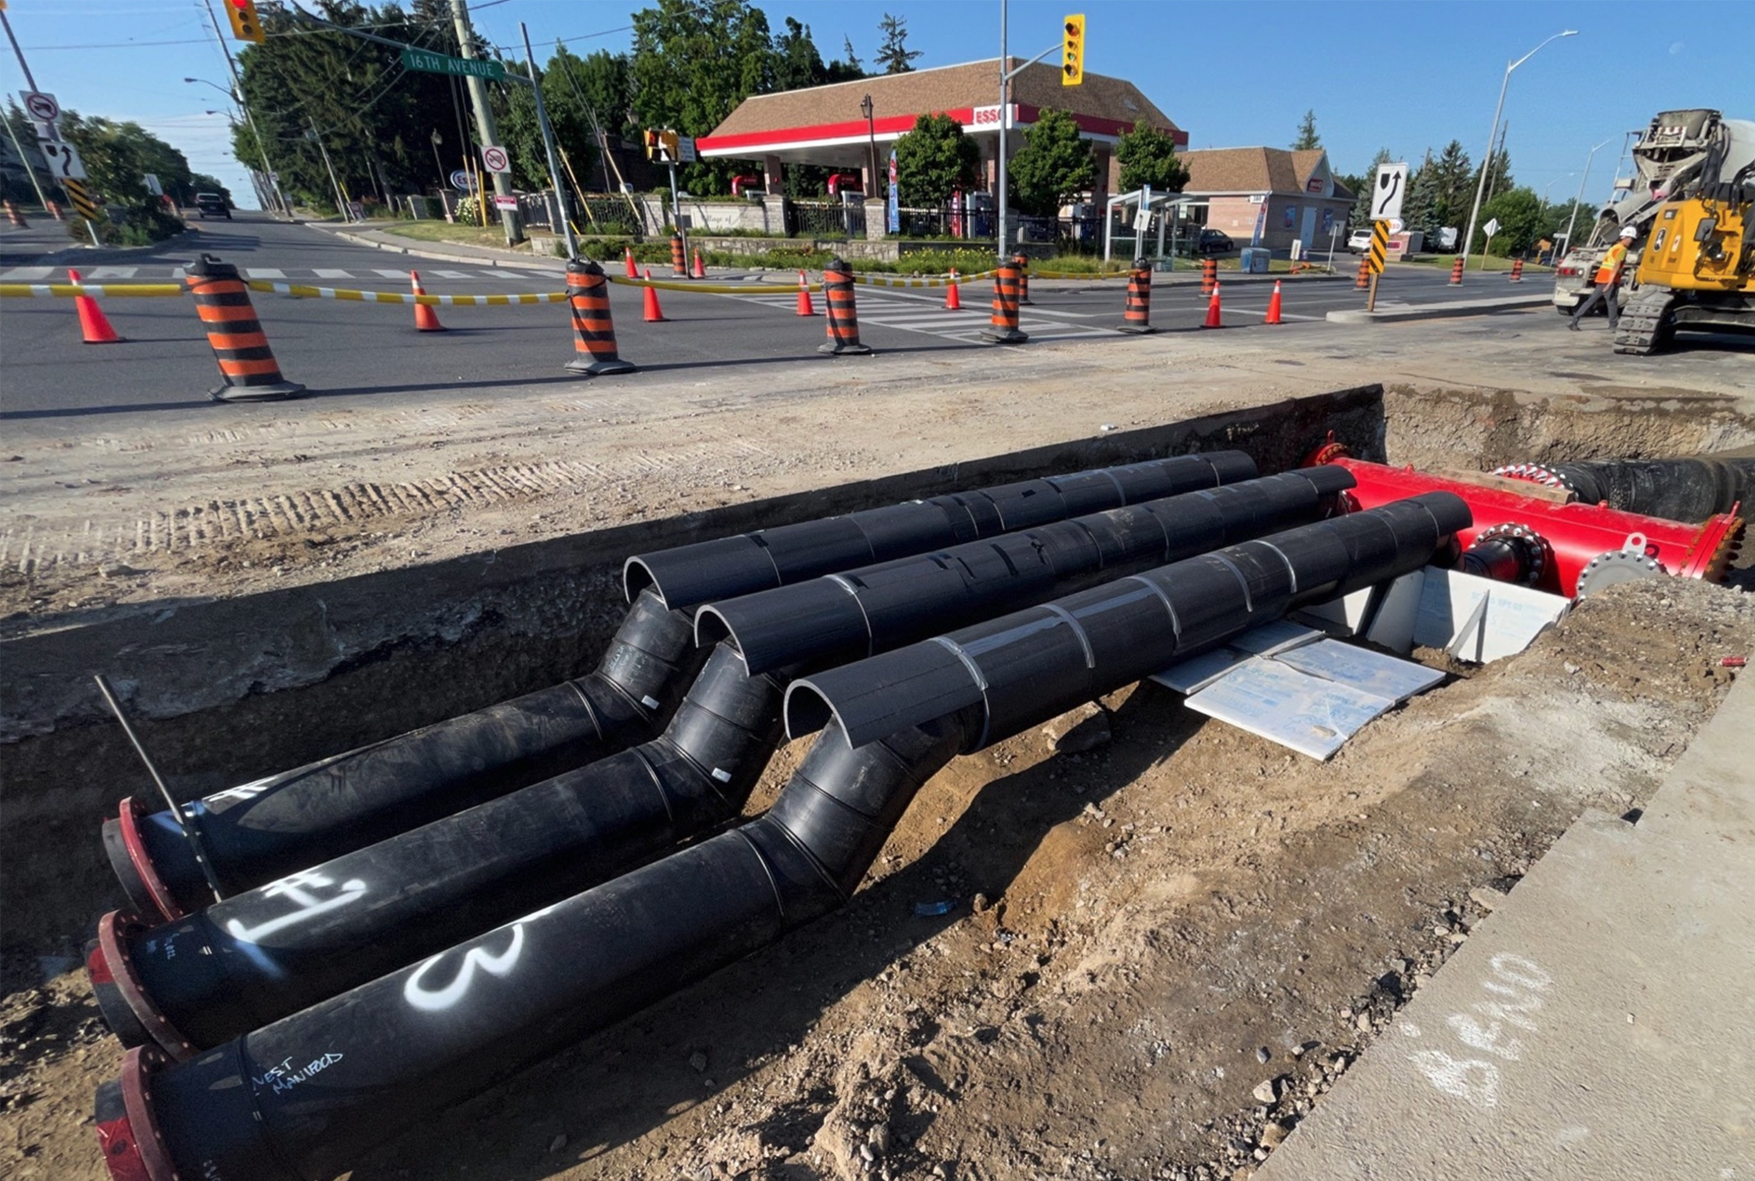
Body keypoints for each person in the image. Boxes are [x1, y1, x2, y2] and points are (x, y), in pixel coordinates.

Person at [1568, 225, 1638, 330]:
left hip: (1601, 278)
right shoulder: (1622, 250)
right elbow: (1616, 266)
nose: (1631, 241)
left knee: (1591, 301)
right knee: (1612, 302)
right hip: (1610, 280)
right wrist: (1610, 283)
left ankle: (1574, 321)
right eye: (1631, 239)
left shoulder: (1614, 247)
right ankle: (1613, 325)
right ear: (1626, 238)